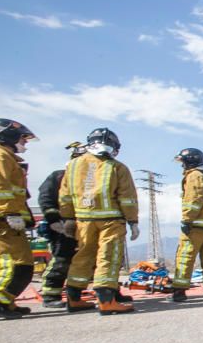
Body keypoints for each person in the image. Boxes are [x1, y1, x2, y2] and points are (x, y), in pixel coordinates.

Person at [59, 128, 140, 315]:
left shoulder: (73, 166)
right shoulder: (117, 167)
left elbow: (64, 196)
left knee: (82, 256)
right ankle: (106, 301)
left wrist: (68, 218)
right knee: (108, 257)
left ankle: (74, 298)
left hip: (83, 220)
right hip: (110, 221)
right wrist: (132, 221)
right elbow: (127, 198)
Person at [0, 119, 37, 320]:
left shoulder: (8, 158)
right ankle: (1, 301)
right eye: (23, 138)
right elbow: (0, 188)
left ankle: (6, 301)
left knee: (20, 264)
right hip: (4, 222)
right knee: (15, 265)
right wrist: (10, 213)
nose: (25, 142)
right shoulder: (0, 156)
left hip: (8, 221)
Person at [36, 143, 84, 308]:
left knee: (88, 260)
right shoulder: (58, 177)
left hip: (85, 227)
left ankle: (77, 294)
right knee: (62, 260)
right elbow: (46, 198)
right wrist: (53, 220)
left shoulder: (91, 181)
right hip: (63, 228)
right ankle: (50, 295)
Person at [171, 148, 203, 303]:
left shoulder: (194, 176)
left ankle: (179, 291)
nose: (182, 166)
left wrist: (187, 219)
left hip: (196, 225)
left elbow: (193, 200)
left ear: (190, 162)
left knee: (186, 255)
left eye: (183, 163)